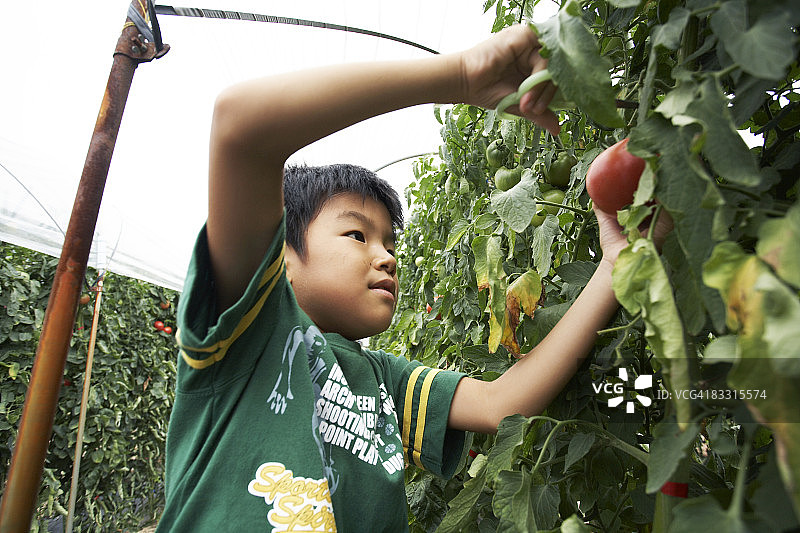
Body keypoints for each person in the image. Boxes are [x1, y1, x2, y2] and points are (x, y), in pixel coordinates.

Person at [156, 24, 671, 532]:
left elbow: (501, 403)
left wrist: (615, 264)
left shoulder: (382, 381)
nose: (386, 258)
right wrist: (462, 76)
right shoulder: (248, 335)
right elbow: (238, 127)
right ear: (281, 258)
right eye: (357, 236)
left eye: (390, 244)